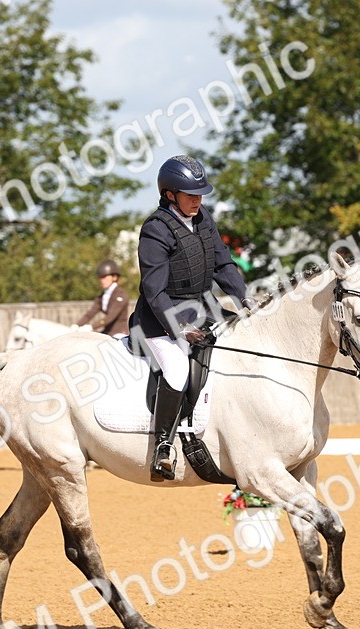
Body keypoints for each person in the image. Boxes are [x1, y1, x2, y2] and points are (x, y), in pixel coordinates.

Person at [129, 154, 249, 481]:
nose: (198, 200)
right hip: (158, 321)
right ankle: (163, 447)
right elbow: (154, 291)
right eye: (190, 195)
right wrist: (180, 330)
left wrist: (245, 298)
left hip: (203, 307)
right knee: (178, 368)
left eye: (200, 194)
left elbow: (223, 265)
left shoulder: (203, 218)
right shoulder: (155, 230)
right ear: (170, 194)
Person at [75, 259, 130, 338]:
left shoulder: (121, 295)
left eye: (104, 277)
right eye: (100, 277)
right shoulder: (102, 296)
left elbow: (110, 317)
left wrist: (91, 327)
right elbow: (90, 314)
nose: (102, 280)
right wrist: (77, 325)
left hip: (119, 332)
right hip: (107, 331)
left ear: (114, 277)